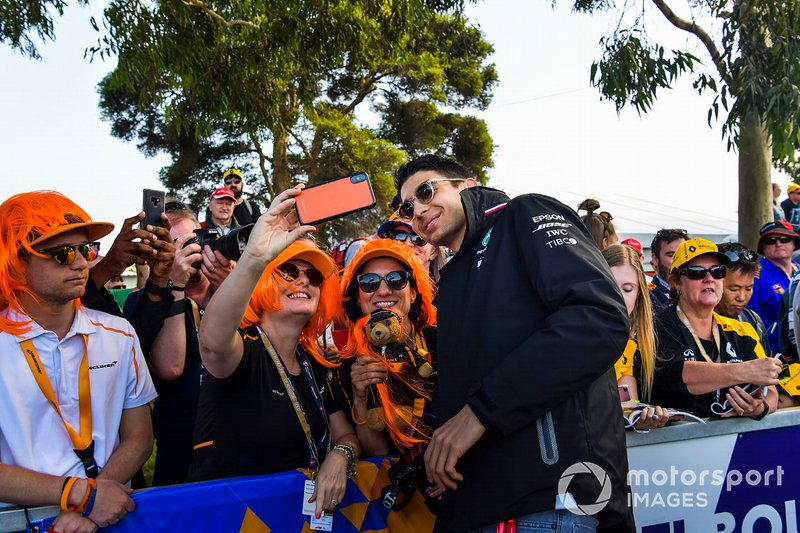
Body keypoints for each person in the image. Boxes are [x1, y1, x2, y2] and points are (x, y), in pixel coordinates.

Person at [395, 154, 634, 532]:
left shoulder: (523, 213)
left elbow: (598, 318)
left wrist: (479, 412)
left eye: (426, 191)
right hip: (479, 505)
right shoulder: (454, 277)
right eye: (407, 207)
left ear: (469, 185)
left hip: (549, 503)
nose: (418, 210)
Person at [188, 188, 359, 519]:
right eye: (289, 271)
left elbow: (347, 435)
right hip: (231, 521)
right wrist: (254, 259)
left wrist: (340, 455)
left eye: (312, 276)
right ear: (264, 281)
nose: (303, 280)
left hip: (298, 519)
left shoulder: (316, 364)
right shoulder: (242, 349)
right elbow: (211, 341)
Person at [0, 191, 157, 533]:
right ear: (17, 261)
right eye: (62, 253)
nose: (81, 263)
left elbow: (140, 436)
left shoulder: (119, 334)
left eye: (86, 250)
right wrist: (80, 496)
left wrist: (90, 502)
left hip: (109, 515)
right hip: (18, 522)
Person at [123, 205, 234, 486]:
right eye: (175, 246)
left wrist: (230, 286)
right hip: (181, 443)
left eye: (192, 241)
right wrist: (175, 286)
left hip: (235, 435)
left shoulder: (228, 286)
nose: (188, 252)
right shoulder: (144, 302)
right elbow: (171, 367)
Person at [650, 238, 781, 419]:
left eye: (718, 272)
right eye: (697, 272)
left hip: (735, 440)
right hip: (677, 442)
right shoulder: (657, 327)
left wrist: (760, 408)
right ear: (677, 283)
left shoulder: (743, 330)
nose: (709, 279)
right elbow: (681, 375)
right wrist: (745, 371)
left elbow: (771, 392)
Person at [339, 239, 437, 464]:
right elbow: (377, 455)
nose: (383, 291)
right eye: (370, 282)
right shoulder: (350, 364)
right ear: (358, 297)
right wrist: (360, 399)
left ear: (413, 293)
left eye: (396, 279)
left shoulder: (443, 342)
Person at [602, 244, 667, 431]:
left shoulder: (629, 343)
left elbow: (628, 403)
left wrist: (639, 418)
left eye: (627, 289)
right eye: (609, 286)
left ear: (639, 294)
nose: (617, 297)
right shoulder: (571, 333)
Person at [748, 220, 800, 352]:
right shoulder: (756, 275)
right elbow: (749, 320)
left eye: (784, 239)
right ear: (763, 247)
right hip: (774, 355)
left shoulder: (798, 270)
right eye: (771, 240)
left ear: (794, 243)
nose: (778, 243)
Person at [714, 243, 771, 355]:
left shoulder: (753, 320)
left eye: (748, 289)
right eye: (734, 289)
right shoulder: (696, 323)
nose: (741, 297)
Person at [377, 215, 446, 284]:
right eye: (398, 235)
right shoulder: (380, 290)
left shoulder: (452, 289)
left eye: (418, 237)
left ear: (433, 252)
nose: (407, 244)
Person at [649, 228, 689, 315]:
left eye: (684, 256)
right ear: (655, 259)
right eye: (672, 255)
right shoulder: (645, 296)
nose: (679, 261)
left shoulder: (698, 291)